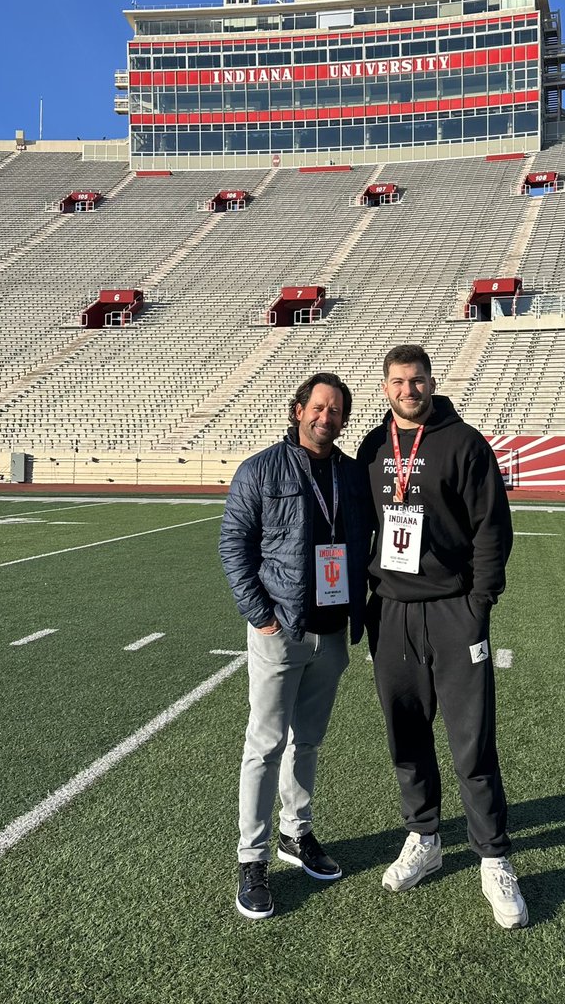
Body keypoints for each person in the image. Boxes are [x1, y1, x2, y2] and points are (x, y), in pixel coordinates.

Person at [357, 344, 527, 929]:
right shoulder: (373, 447)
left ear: (432, 384)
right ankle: (423, 836)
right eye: (399, 381)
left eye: (418, 380)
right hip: (393, 612)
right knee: (405, 731)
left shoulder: (465, 443)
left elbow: (492, 528)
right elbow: (364, 527)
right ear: (385, 388)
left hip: (454, 610)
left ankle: (493, 857)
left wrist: (479, 603)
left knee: (471, 739)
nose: (409, 389)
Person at [219, 372, 372, 920]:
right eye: (319, 407)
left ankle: (296, 832)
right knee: (264, 745)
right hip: (281, 627)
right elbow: (233, 543)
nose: (326, 417)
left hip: (332, 630)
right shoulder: (261, 469)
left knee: (307, 741)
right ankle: (251, 858)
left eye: (336, 410)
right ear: (298, 409)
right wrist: (259, 615)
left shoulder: (352, 475)